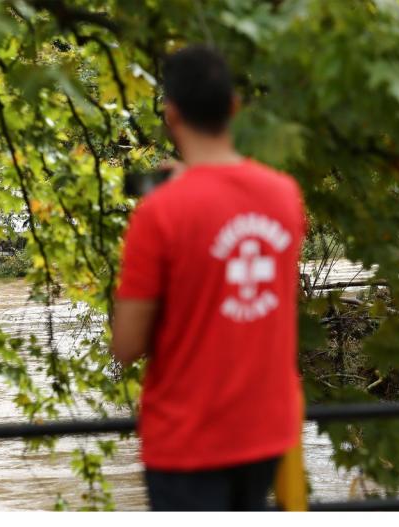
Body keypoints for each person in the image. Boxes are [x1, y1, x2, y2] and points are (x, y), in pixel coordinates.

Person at [112, 44, 306, 511]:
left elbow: (126, 345)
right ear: (234, 108)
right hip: (265, 434)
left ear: (171, 115)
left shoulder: (159, 213)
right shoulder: (284, 196)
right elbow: (224, 215)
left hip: (188, 442)